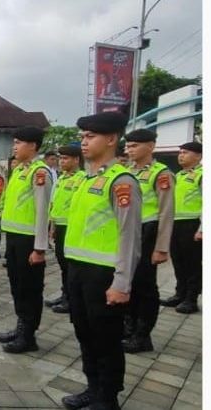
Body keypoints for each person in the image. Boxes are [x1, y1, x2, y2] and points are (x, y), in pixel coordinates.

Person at [61, 111, 141, 410]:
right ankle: (93, 388)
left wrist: (122, 283)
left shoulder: (121, 181)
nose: (83, 142)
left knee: (106, 338)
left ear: (111, 139)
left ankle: (108, 397)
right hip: (79, 270)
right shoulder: (85, 179)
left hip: (105, 274)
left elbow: (130, 236)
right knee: (84, 333)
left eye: (90, 136)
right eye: (82, 136)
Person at [0, 127, 52, 354]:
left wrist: (39, 248)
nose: (14, 146)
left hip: (30, 241)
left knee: (29, 288)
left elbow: (42, 211)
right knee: (17, 285)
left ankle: (28, 335)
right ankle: (20, 327)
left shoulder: (40, 172)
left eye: (19, 142)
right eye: (14, 142)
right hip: (14, 238)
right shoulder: (20, 171)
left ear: (33, 146)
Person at [120, 129, 175, 352]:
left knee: (145, 286)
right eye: (128, 146)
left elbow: (167, 212)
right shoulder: (127, 172)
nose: (129, 149)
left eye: (135, 146)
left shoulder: (161, 173)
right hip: (129, 232)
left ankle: (143, 335)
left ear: (150, 146)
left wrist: (161, 248)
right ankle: (129, 327)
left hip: (148, 232)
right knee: (129, 282)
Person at [161, 141, 203, 314]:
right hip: (175, 224)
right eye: (180, 152)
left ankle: (191, 299)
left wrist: (202, 229)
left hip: (192, 224)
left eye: (185, 152)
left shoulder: (202, 175)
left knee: (192, 263)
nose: (181, 155)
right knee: (178, 261)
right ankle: (180, 294)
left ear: (199, 156)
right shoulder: (179, 175)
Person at [45, 145, 86, 314]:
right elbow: (55, 204)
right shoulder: (61, 179)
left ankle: (71, 299)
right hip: (60, 227)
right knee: (63, 265)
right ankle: (65, 294)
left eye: (65, 158)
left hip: (72, 228)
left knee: (71, 267)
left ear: (76, 160)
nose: (62, 162)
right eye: (60, 158)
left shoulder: (81, 178)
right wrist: (52, 226)